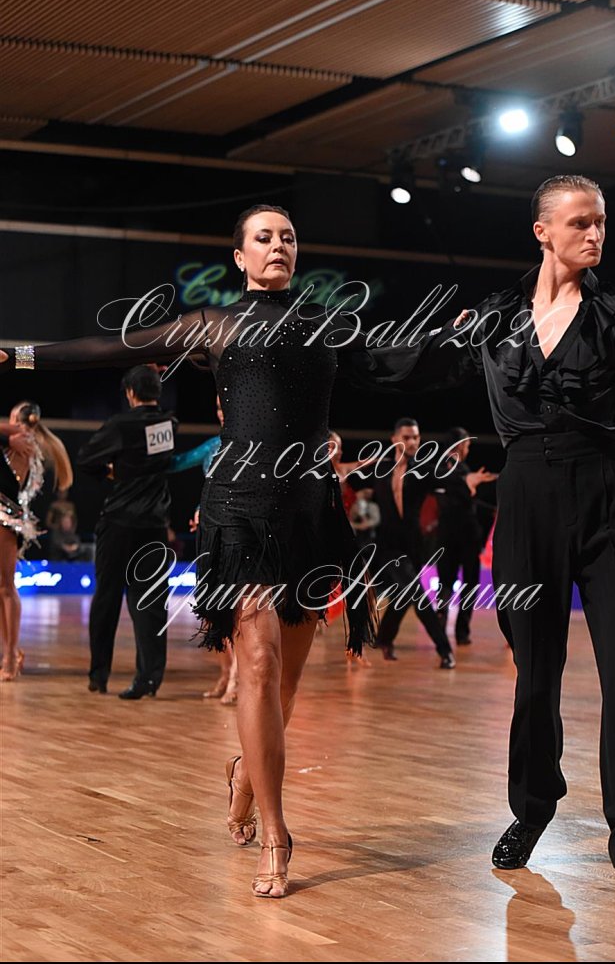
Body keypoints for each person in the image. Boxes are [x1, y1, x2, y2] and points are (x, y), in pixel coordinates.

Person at [0, 204, 456, 898]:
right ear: (240, 257)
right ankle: (276, 833)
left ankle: (246, 775)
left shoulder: (325, 324)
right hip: (238, 509)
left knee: (289, 681)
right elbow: (110, 347)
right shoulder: (213, 325)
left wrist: (470, 343)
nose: (278, 246)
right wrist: (18, 355)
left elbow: (398, 364)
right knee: (259, 663)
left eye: (288, 237)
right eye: (264, 237)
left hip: (309, 515)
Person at [392, 175, 615, 904]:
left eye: (600, 222)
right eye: (579, 223)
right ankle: (534, 807)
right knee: (535, 673)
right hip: (526, 496)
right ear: (542, 231)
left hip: (609, 497)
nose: (595, 234)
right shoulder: (494, 319)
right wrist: (317, 357)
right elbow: (414, 365)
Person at [78, 365, 177, 699]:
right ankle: (148, 679)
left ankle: (99, 675)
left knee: (107, 598)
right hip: (153, 526)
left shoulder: (120, 425)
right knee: (151, 602)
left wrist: (112, 471)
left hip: (119, 522)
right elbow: (158, 461)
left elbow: (86, 459)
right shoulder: (169, 425)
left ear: (130, 393)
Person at [169, 396, 239, 703]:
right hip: (210, 533)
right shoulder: (213, 446)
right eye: (219, 408)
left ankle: (237, 677)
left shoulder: (252, 447)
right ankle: (225, 673)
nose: (223, 414)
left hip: (239, 534)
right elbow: (176, 463)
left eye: (228, 407)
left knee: (237, 609)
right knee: (212, 610)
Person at [373, 418, 456, 668]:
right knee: (416, 594)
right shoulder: (380, 468)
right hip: (388, 547)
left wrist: (466, 479)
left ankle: (384, 638)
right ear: (395, 439)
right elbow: (349, 475)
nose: (412, 442)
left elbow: (449, 480)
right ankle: (444, 650)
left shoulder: (423, 470)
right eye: (407, 437)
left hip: (414, 547)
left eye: (416, 437)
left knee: (404, 594)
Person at [0, 402, 73, 680]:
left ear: (21, 420)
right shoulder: (13, 440)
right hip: (5, 515)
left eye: (13, 416)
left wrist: (9, 437)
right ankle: (10, 652)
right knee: (1, 589)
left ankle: (10, 656)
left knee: (6, 588)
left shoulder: (24, 441)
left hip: (5, 517)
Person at [434, 427, 496, 645]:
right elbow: (464, 495)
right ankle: (460, 632)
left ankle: (444, 628)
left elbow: (467, 499)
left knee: (447, 582)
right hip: (463, 535)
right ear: (460, 445)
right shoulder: (453, 469)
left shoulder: (445, 468)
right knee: (468, 583)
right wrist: (470, 481)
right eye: (467, 445)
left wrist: (490, 509)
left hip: (448, 534)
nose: (468, 449)